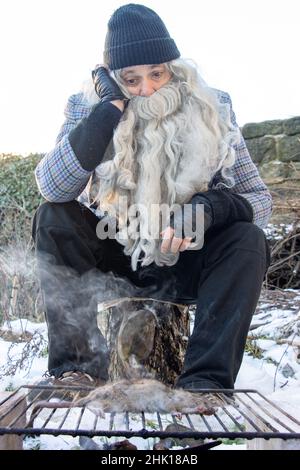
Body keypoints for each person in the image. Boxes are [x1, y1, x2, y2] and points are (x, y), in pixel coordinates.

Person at [32, 4, 272, 392]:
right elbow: (53, 189)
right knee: (54, 217)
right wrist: (105, 115)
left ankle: (205, 385)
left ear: (173, 68)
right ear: (113, 79)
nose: (146, 90)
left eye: (157, 74)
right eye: (131, 80)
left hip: (185, 256)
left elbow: (259, 200)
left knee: (247, 238)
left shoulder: (216, 106)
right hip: (114, 255)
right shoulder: (86, 107)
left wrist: (211, 207)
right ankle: (75, 371)